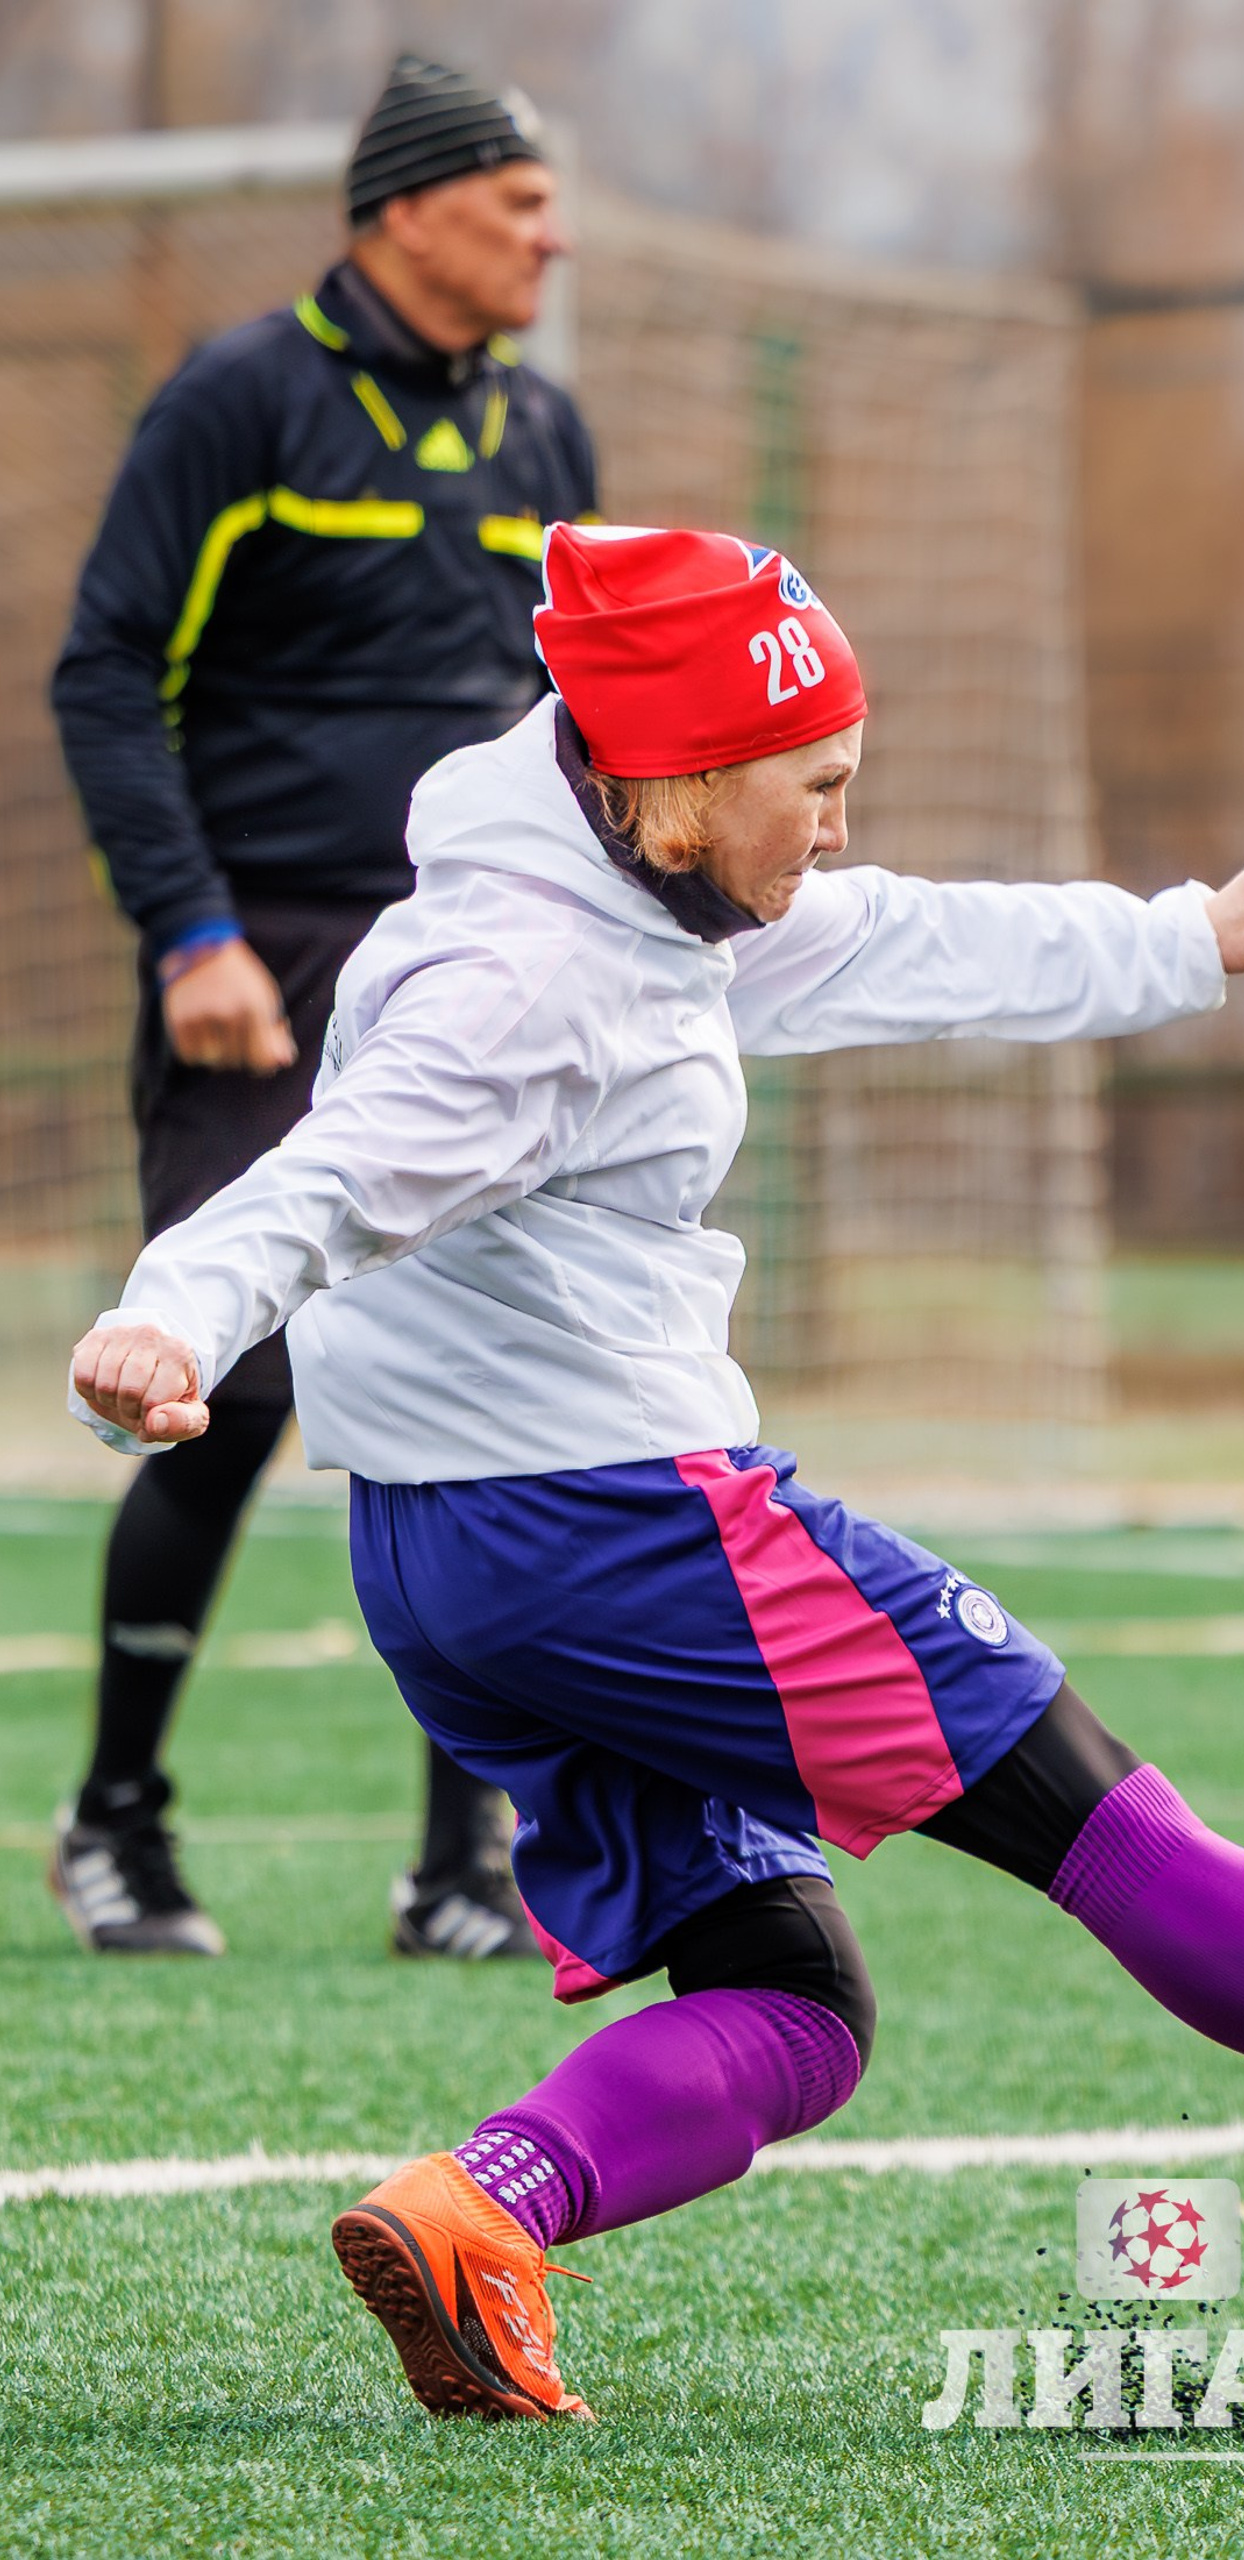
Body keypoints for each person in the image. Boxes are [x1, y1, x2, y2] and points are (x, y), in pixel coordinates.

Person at [69, 525, 1244, 2420]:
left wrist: (1176, 939)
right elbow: (332, 1179)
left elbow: (904, 939)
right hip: (630, 1531)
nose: (842, 822)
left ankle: (477, 2211)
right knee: (1117, 1832)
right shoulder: (522, 981)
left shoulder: (625, 893)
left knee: (791, 2002)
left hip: (444, 1567)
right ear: (682, 789)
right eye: (820, 785)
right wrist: (173, 1320)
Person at [48, 58, 596, 1959]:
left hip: (484, 973)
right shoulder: (240, 399)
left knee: (487, 1390)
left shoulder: (549, 441)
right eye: (521, 200)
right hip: (259, 970)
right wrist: (187, 929)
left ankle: (468, 1866)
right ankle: (116, 1821)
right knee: (236, 1380)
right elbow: (107, 671)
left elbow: (585, 742)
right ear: (406, 210)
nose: (552, 234)